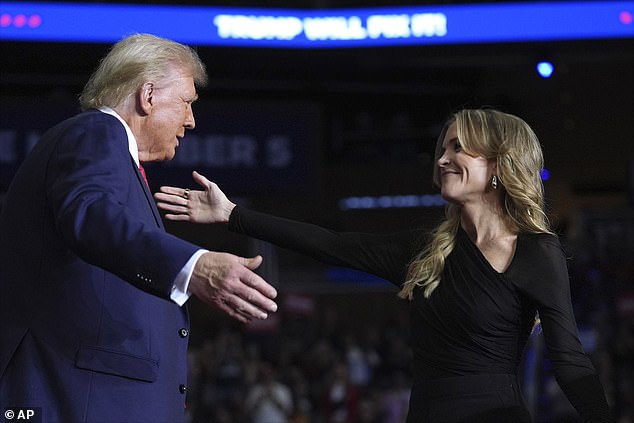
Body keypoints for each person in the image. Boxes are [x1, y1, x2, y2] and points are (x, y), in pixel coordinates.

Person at [154, 108, 614, 422]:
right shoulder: (425, 250)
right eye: (443, 148)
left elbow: (570, 361)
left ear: (498, 164)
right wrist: (233, 215)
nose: (442, 159)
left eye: (458, 148)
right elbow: (331, 243)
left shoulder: (536, 251)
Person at [0, 33, 278, 423]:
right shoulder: (97, 132)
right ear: (148, 95)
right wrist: (193, 266)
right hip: (77, 398)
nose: (191, 120)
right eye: (186, 102)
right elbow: (90, 214)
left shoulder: (109, 153)